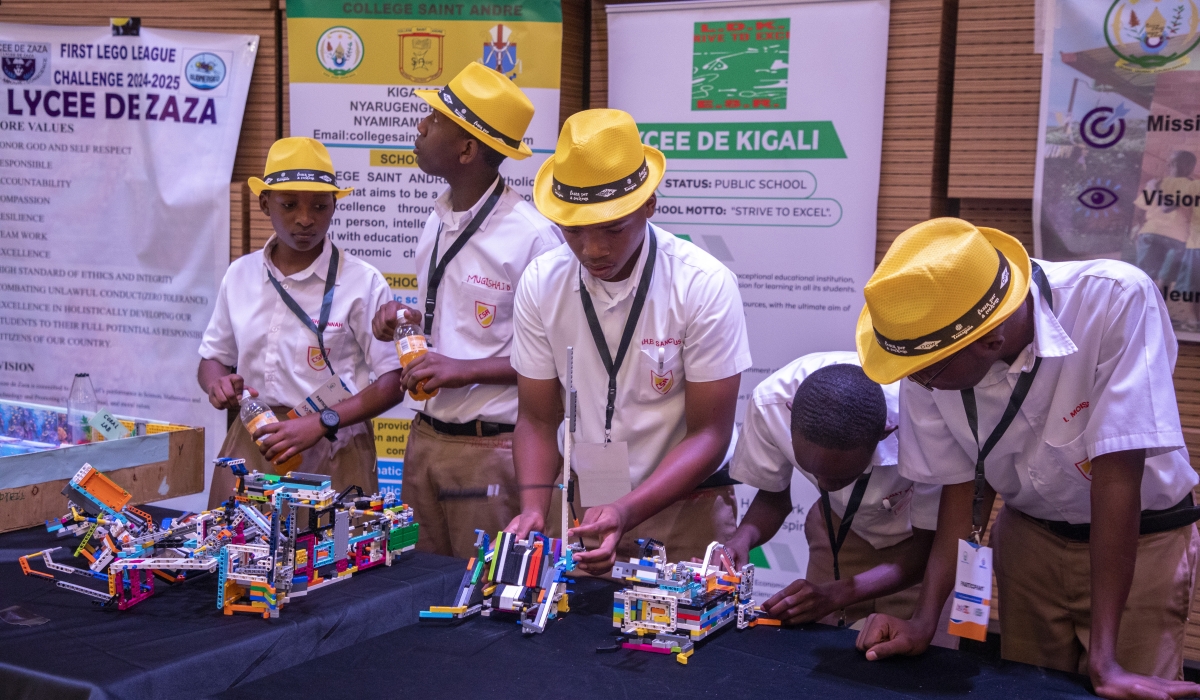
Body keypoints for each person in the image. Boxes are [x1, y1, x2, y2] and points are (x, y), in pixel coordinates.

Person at [853, 217, 1200, 699]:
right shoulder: (927, 353)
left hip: (1139, 546)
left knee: (1128, 688)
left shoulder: (1114, 300)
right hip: (1028, 541)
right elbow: (961, 488)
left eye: (926, 376)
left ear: (991, 343)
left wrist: (1106, 661)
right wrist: (924, 620)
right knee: (1029, 689)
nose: (915, 384)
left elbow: (1117, 476)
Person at [505, 108, 751, 574]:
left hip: (686, 503)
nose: (593, 250)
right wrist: (536, 508)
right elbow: (537, 419)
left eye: (613, 229)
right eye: (574, 230)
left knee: (678, 637)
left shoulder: (703, 285)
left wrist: (626, 510)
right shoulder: (541, 281)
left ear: (649, 204)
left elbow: (710, 435)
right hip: (585, 502)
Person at [370, 62, 562, 559]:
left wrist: (463, 370)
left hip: (491, 452)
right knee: (415, 594)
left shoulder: (533, 238)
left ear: (467, 148)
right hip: (425, 439)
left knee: (483, 603)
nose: (419, 127)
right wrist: (406, 319)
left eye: (432, 122)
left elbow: (557, 365)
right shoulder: (437, 219)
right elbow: (458, 323)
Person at [198, 137, 404, 507]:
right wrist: (217, 384)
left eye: (320, 206)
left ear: (334, 207)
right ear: (265, 204)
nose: (305, 219)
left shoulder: (362, 282)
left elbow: (392, 383)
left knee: (334, 556)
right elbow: (213, 358)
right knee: (239, 550)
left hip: (334, 440)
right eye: (289, 205)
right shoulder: (240, 275)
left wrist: (321, 421)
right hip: (255, 437)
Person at [725, 352, 940, 629]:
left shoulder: (924, 417)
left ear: (885, 433)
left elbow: (931, 546)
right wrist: (739, 542)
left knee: (916, 663)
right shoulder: (771, 405)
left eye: (840, 477)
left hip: (919, 543)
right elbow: (773, 498)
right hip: (837, 533)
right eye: (813, 473)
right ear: (790, 414)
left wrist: (836, 593)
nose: (824, 485)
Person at [1133, 150, 1196, 288]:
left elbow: (1143, 210)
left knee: (1145, 277)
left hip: (1151, 233)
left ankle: (1143, 306)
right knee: (1165, 279)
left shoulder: (1156, 183)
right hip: (1177, 237)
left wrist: (1138, 229)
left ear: (1170, 164)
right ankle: (1158, 307)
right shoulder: (1193, 186)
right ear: (1191, 167)